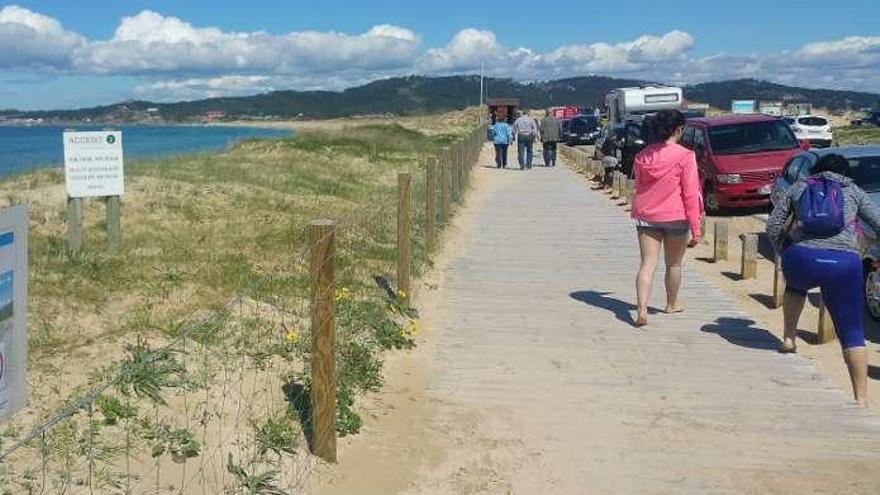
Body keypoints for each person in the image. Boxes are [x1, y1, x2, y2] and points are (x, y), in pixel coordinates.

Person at [766, 153, 880, 407]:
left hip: (801, 258)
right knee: (852, 331)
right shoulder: (854, 190)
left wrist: (785, 250)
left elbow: (773, 224)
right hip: (844, 264)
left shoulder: (800, 186)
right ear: (844, 173)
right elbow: (878, 223)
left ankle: (788, 338)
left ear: (817, 170)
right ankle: (860, 397)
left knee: (795, 287)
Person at [630, 109, 703, 327]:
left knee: (647, 264)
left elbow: (639, 184)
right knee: (674, 264)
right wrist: (696, 229)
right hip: (675, 217)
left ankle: (641, 309)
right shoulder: (685, 156)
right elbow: (690, 194)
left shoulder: (642, 156)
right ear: (679, 129)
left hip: (647, 215)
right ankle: (671, 303)